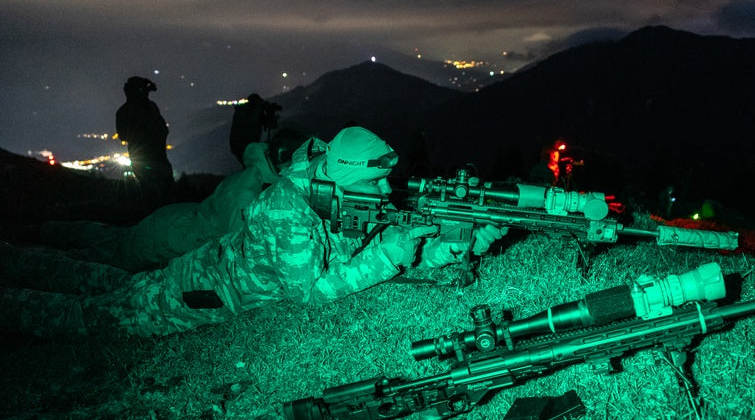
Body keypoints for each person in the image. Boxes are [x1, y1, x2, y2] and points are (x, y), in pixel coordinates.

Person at [0, 126, 506, 339]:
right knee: (94, 312)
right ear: (343, 176)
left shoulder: (345, 189)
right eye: (374, 182)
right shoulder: (286, 209)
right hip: (199, 292)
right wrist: (387, 257)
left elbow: (390, 241)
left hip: (208, 271)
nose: (384, 191)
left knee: (100, 279)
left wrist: (461, 242)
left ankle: (14, 256)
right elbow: (309, 293)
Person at [38, 129, 304, 272]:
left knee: (109, 237)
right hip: (171, 238)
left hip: (174, 220)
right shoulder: (249, 192)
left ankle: (46, 229)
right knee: (88, 261)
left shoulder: (255, 173)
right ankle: (25, 256)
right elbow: (238, 250)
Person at [116, 76, 175, 210]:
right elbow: (124, 135)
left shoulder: (129, 110)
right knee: (153, 194)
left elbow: (162, 129)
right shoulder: (128, 111)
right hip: (149, 159)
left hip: (155, 158)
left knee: (161, 192)